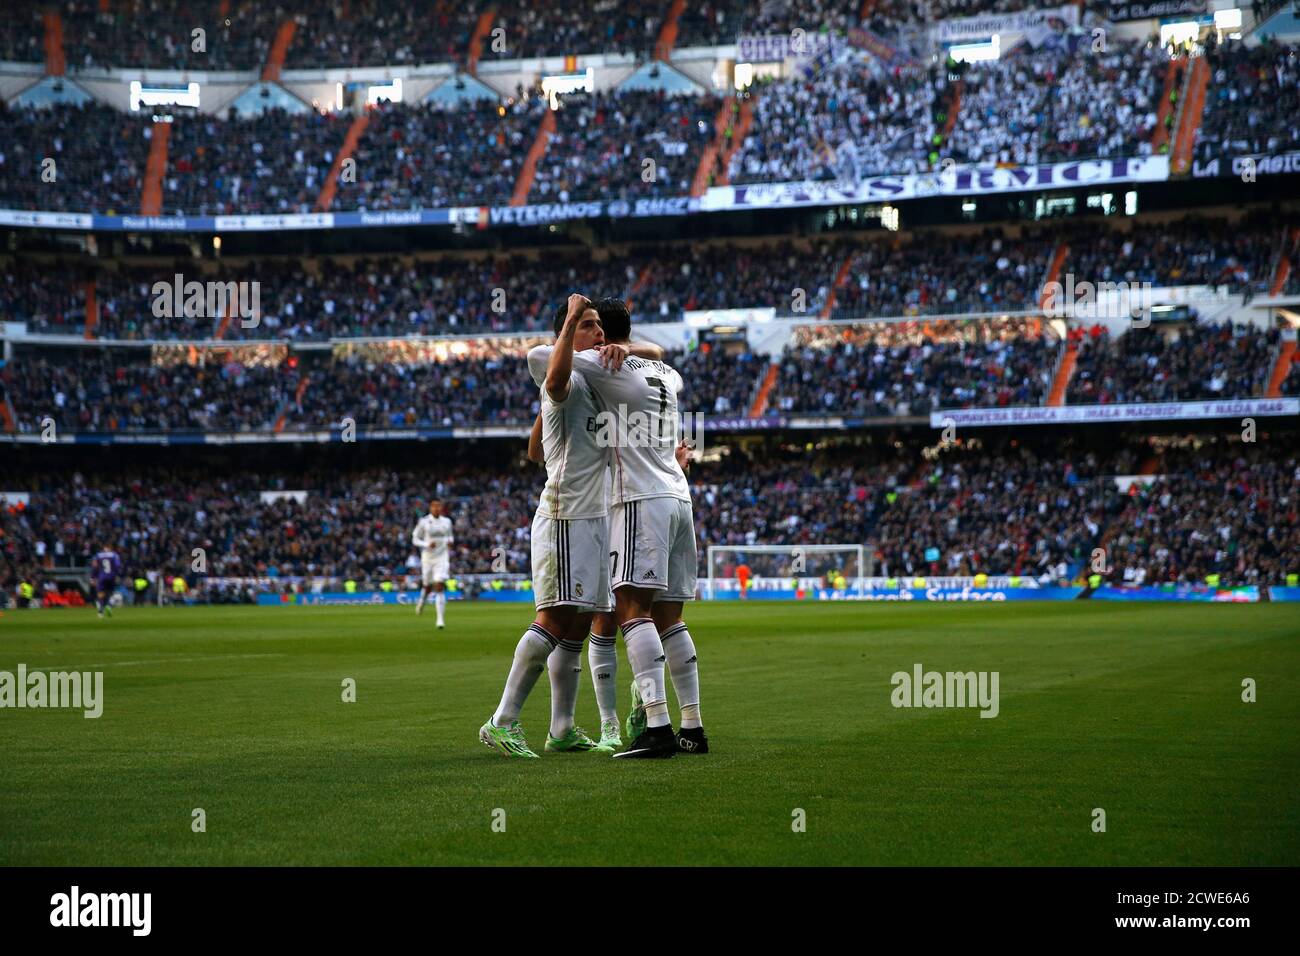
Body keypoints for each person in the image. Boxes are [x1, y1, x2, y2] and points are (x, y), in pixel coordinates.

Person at [532, 297, 707, 758]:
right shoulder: (669, 375)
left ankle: (657, 726)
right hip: (679, 495)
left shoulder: (603, 366)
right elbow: (662, 355)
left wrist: (579, 330)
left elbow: (540, 360)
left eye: (597, 330)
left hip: (637, 499)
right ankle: (693, 725)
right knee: (672, 618)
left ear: (604, 336)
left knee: (630, 611)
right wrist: (641, 350)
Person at [479, 294, 620, 758]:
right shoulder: (565, 374)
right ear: (568, 331)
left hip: (594, 516)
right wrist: (571, 319)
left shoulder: (598, 380)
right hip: (566, 514)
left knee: (578, 624)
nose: (598, 332)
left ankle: (561, 728)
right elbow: (555, 379)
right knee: (556, 617)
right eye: (588, 325)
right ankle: (502, 720)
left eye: (601, 326)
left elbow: (535, 451)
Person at [412, 499, 454, 627]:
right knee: (427, 586)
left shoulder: (447, 521)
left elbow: (450, 536)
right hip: (428, 558)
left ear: (441, 508)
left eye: (438, 506)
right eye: (434, 506)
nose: (436, 508)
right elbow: (414, 539)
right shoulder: (424, 522)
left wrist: (450, 542)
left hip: (442, 557)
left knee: (439, 585)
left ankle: (440, 620)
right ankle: (421, 601)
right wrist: (426, 544)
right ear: (430, 508)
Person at [91, 544, 123, 618]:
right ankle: (109, 605)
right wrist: (118, 574)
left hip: (102, 577)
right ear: (110, 548)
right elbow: (118, 566)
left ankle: (100, 613)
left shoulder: (98, 555)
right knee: (111, 593)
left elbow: (95, 566)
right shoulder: (114, 555)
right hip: (111, 576)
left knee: (100, 594)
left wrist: (92, 577)